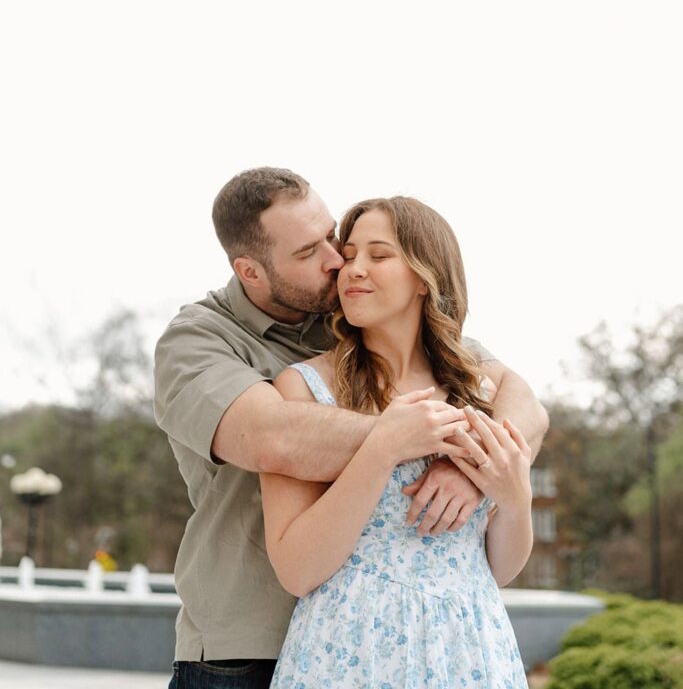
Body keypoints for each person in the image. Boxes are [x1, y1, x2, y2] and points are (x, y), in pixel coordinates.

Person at [154, 168, 547, 689]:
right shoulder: (198, 341)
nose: (338, 260)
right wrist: (416, 436)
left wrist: (475, 470)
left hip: (450, 646)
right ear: (250, 271)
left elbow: (522, 402)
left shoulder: (361, 314)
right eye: (307, 252)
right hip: (251, 647)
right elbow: (275, 438)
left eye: (331, 235)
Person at [261, 196, 532, 688]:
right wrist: (383, 447)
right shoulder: (302, 389)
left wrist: (515, 501)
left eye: (378, 255)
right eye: (349, 254)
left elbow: (499, 569)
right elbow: (296, 571)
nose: (352, 270)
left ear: (425, 279)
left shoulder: (482, 391)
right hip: (348, 654)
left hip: (469, 651)